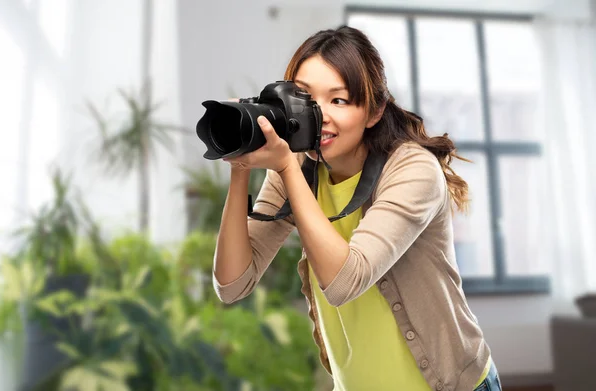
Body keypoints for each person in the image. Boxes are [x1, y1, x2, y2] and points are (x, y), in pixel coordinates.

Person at [212, 25, 501, 391]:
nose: (320, 116)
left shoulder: (412, 169)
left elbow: (344, 281)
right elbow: (232, 285)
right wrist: (240, 166)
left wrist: (286, 166)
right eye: (306, 99)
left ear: (375, 110)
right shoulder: (298, 164)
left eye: (339, 100)